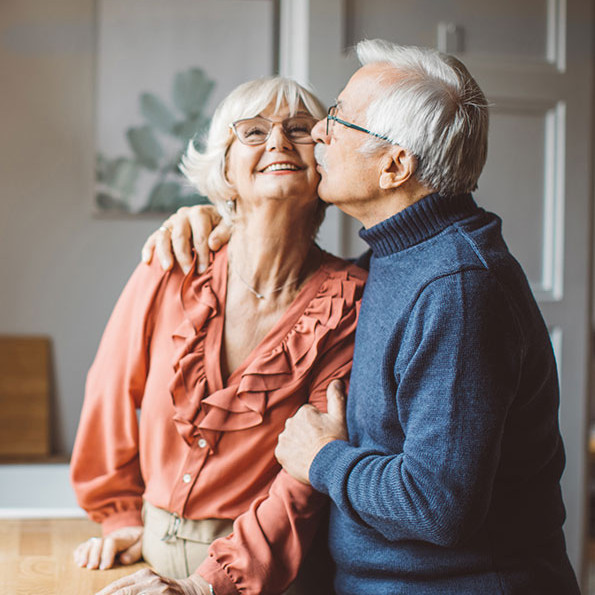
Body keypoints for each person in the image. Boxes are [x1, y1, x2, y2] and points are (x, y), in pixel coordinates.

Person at [144, 39, 580, 594]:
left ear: (396, 165)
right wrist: (220, 218)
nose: (318, 133)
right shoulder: (401, 257)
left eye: (339, 120)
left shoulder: (460, 291)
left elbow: (436, 505)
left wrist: (322, 458)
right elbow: (304, 277)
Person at [70, 76, 367, 595]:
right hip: (144, 556)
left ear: (323, 161)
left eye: (299, 129)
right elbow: (109, 394)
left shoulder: (352, 302)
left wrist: (209, 585)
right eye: (253, 131)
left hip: (271, 577)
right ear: (224, 169)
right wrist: (118, 515)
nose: (277, 141)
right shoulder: (173, 264)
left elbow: (303, 479)